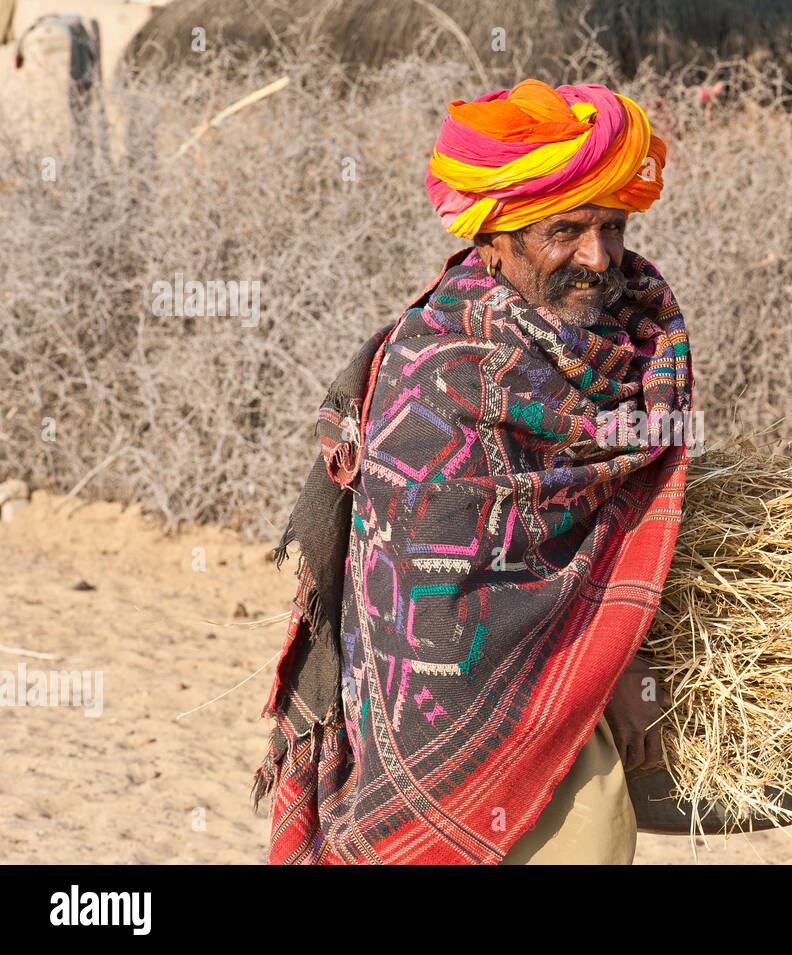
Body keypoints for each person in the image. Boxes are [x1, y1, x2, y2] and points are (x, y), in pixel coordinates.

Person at [253, 78, 692, 865]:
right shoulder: (441, 373)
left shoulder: (631, 343)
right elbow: (443, 593)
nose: (599, 258)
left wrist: (621, 654)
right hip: (449, 705)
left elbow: (610, 516)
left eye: (613, 227)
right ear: (497, 240)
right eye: (568, 232)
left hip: (577, 681)